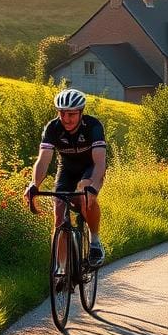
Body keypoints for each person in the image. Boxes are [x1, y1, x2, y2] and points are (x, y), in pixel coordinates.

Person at [24, 88, 107, 270]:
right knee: (59, 217)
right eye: (62, 113)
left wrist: (93, 187)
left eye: (72, 114)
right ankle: (61, 269)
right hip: (67, 169)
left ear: (81, 112)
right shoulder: (53, 128)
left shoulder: (93, 126)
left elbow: (100, 162)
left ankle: (95, 243)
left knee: (85, 193)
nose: (67, 119)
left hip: (90, 168)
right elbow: (43, 160)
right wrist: (34, 184)